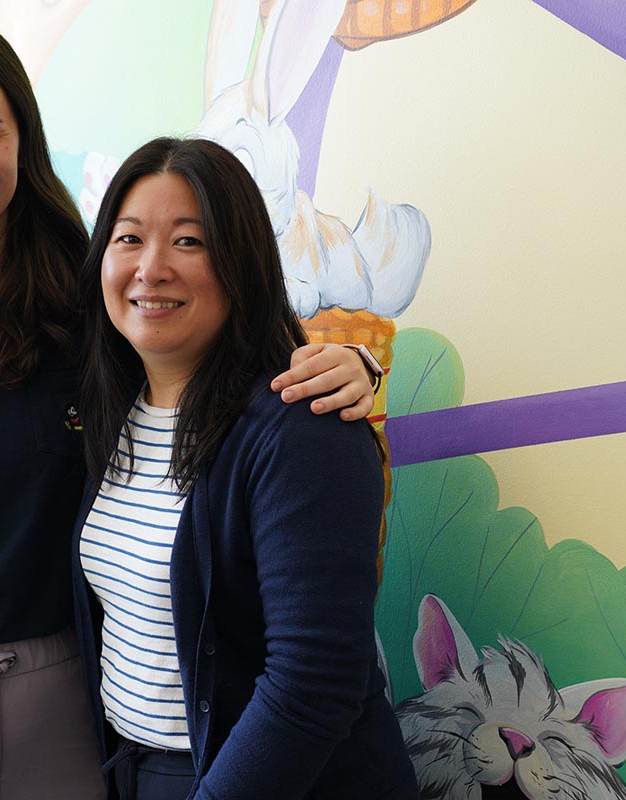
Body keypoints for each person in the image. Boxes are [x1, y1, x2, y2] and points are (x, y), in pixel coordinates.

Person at [0, 20, 379, 799]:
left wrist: (350, 365)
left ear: (23, 142)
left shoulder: (86, 317)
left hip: (65, 702)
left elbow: (222, 353)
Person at [73, 136, 417, 799]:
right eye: (129, 239)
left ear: (243, 264)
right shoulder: (106, 414)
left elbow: (314, 681)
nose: (152, 267)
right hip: (143, 772)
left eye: (189, 241)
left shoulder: (301, 427)